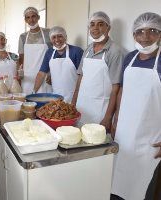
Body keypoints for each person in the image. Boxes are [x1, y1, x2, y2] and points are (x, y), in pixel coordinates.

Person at [111, 12, 161, 200]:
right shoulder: (129, 58)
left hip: (151, 138)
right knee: (119, 183)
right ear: (134, 35)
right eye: (140, 32)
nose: (146, 37)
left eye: (153, 31)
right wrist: (116, 119)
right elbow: (123, 90)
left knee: (144, 187)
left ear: (160, 34)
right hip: (125, 133)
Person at [72, 11, 125, 130]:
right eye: (92, 24)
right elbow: (80, 78)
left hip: (100, 110)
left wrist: (108, 117)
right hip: (82, 107)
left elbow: (115, 89)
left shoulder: (115, 51)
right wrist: (73, 104)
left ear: (108, 28)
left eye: (101, 24)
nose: (95, 28)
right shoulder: (88, 49)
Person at [33, 26, 83, 102]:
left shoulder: (77, 51)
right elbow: (41, 74)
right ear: (50, 39)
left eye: (60, 36)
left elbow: (82, 76)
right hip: (56, 98)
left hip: (74, 97)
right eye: (54, 37)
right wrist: (34, 92)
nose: (57, 40)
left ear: (65, 37)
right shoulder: (49, 52)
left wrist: (76, 98)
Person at [18, 6, 52, 95]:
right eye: (28, 17)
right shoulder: (23, 37)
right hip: (28, 77)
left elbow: (53, 54)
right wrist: (20, 73)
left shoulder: (48, 33)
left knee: (45, 105)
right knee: (28, 104)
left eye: (33, 16)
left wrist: (51, 72)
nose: (31, 20)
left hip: (44, 75)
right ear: (25, 20)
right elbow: (21, 58)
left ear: (38, 17)